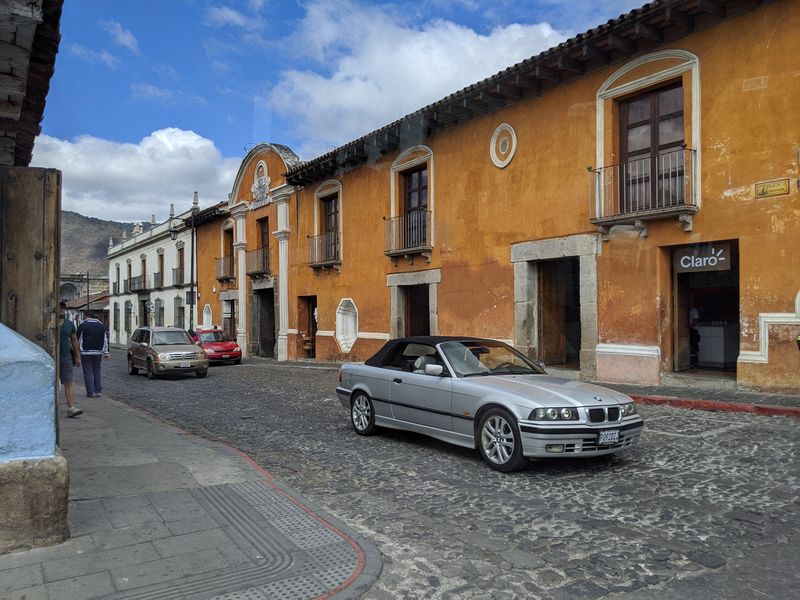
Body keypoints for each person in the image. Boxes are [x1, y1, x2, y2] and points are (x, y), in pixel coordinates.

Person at [58, 302, 83, 417]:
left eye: (63, 309)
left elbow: (74, 340)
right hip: (50, 359)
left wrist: (77, 357)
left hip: (66, 358)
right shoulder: (48, 323)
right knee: (52, 384)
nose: (61, 311)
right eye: (59, 308)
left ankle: (71, 407)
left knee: (68, 382)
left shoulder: (69, 324)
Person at [77, 310, 109, 398]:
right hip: (98, 352)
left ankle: (90, 392)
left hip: (85, 352)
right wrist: (106, 352)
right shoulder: (101, 326)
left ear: (86, 316)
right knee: (97, 371)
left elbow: (78, 339)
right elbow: (105, 340)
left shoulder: (83, 326)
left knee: (87, 372)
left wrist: (77, 352)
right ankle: (98, 391)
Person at [688, 298, 700, 368]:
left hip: (693, 330)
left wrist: (689, 327)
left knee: (694, 346)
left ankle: (695, 363)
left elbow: (696, 320)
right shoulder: (687, 310)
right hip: (689, 330)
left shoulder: (694, 310)